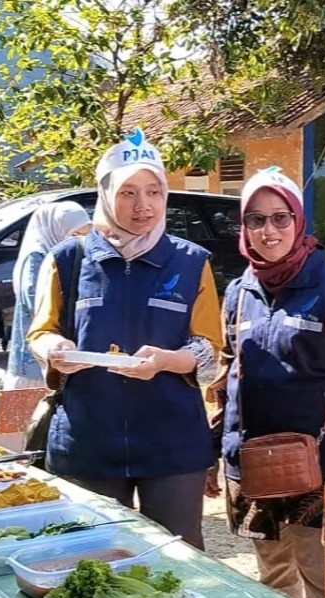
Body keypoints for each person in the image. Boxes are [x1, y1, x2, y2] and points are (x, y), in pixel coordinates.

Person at [28, 129, 222, 550]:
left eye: (154, 191)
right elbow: (41, 331)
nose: (143, 206)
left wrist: (168, 360)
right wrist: (54, 350)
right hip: (89, 440)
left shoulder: (190, 262)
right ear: (105, 194)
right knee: (91, 557)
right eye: (128, 192)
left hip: (171, 443)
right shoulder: (68, 259)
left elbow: (209, 349)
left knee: (178, 558)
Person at [208, 167, 325, 598]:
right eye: (256, 219)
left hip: (322, 462)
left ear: (299, 221)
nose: (269, 231)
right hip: (251, 461)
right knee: (272, 579)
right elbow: (229, 371)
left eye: (281, 218)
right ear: (244, 226)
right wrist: (216, 442)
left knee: (324, 582)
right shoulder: (238, 292)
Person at [5, 202, 90, 390]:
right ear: (54, 230)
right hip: (32, 366)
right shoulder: (38, 256)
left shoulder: (71, 258)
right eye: (76, 234)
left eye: (87, 234)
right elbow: (35, 302)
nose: (81, 241)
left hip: (58, 360)